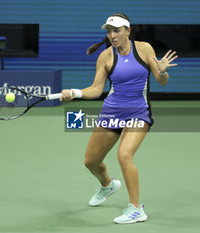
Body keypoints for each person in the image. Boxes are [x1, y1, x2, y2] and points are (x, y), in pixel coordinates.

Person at [60, 13, 178, 224]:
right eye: (109, 31)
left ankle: (135, 208)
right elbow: (96, 89)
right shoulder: (105, 56)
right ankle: (108, 185)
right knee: (91, 161)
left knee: (124, 155)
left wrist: (163, 72)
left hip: (138, 112)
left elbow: (161, 81)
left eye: (116, 30)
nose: (112, 35)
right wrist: (75, 93)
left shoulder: (144, 49)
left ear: (128, 31)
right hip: (112, 112)